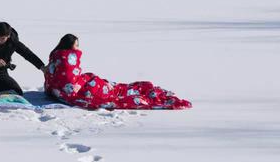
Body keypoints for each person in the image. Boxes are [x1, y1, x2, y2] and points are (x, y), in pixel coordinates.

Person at [44, 34, 192, 110]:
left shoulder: (55, 55)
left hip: (59, 90)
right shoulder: (68, 58)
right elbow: (70, 81)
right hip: (73, 91)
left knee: (94, 79)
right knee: (113, 92)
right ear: (70, 46)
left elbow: (56, 77)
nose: (78, 48)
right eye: (76, 45)